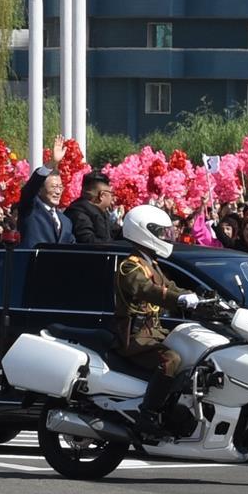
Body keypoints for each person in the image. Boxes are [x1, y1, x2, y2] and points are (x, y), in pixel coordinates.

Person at [114, 204, 199, 433]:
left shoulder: (153, 264)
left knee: (193, 355)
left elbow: (171, 287)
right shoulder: (130, 266)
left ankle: (171, 410)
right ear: (142, 231)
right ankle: (148, 414)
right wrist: (177, 300)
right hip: (135, 337)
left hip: (154, 332)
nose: (164, 237)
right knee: (170, 359)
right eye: (160, 232)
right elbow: (145, 289)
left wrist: (199, 297)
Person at [18, 135, 75, 248]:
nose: (58, 191)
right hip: (32, 264)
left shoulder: (66, 221)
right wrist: (51, 163)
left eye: (60, 187)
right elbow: (30, 188)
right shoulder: (31, 209)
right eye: (53, 187)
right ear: (40, 190)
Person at [64, 171, 120, 244]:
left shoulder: (101, 212)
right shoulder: (79, 215)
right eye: (111, 194)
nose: (113, 198)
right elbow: (90, 243)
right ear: (102, 195)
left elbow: (116, 232)